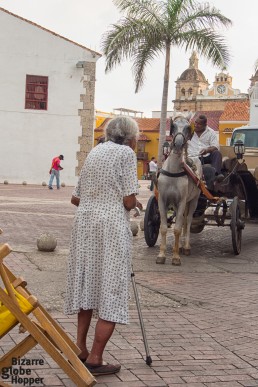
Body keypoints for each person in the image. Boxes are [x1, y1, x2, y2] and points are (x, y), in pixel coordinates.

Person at [64, 116, 142, 376]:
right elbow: (129, 201)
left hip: (85, 225)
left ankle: (80, 348)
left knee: (88, 284)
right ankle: (96, 358)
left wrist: (98, 201)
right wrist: (131, 203)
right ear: (130, 138)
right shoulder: (127, 154)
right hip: (110, 228)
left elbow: (76, 198)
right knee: (111, 287)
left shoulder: (95, 151)